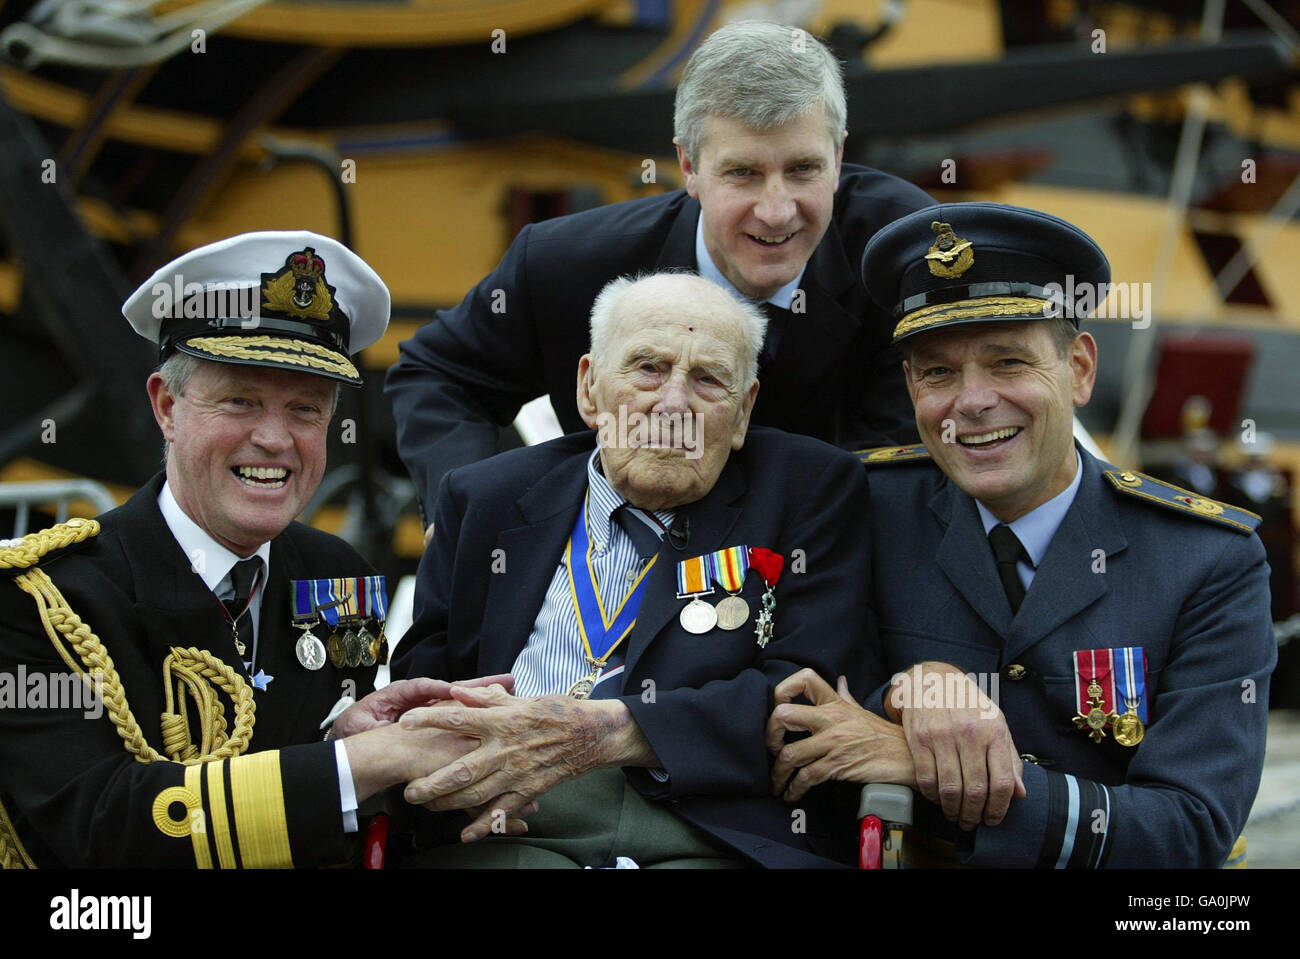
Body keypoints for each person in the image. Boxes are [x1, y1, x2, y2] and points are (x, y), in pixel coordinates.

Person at [766, 203, 1275, 867]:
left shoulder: (1206, 560)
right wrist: (909, 688)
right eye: (938, 371)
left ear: (1081, 369)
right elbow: (800, 709)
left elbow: (1188, 828)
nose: (972, 401)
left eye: (1007, 361)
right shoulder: (865, 508)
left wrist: (928, 768)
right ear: (911, 385)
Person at [0, 231, 501, 869]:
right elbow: (97, 826)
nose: (274, 439)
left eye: (305, 410)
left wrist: (357, 741)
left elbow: (302, 786)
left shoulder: (338, 577)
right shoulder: (40, 600)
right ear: (167, 407)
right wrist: (360, 762)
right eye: (241, 401)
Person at [391, 271, 871, 868]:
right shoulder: (485, 496)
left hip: (708, 828)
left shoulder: (810, 490)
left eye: (708, 378)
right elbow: (422, 680)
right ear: (589, 389)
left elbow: (809, 700)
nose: (673, 403)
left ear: (744, 410)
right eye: (648, 368)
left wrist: (610, 729)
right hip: (510, 820)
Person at [386, 19, 933, 526]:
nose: (776, 210)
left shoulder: (900, 253)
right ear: (689, 167)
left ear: (838, 157)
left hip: (822, 567)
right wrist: (470, 518)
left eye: (803, 170)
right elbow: (438, 375)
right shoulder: (567, 263)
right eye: (742, 173)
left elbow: (905, 479)